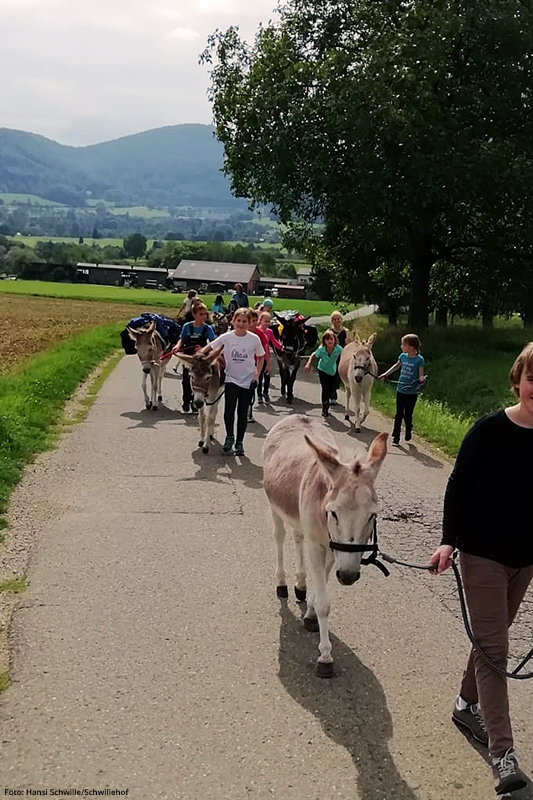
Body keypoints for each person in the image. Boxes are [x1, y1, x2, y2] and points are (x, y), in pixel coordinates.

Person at [429, 342, 533, 796]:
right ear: (518, 380)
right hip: (481, 554)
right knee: (495, 647)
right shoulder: (489, 430)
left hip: (523, 559)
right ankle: (502, 753)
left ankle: (465, 703)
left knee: (490, 642)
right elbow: (458, 485)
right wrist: (448, 540)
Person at [200, 308, 264, 456]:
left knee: (242, 413)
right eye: (239, 321)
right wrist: (198, 357)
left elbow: (260, 357)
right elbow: (209, 347)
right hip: (231, 379)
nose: (241, 324)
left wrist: (257, 373)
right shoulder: (226, 337)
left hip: (248, 380)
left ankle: (240, 442)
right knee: (229, 411)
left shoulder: (254, 339)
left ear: (249, 323)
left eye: (245, 321)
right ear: (233, 321)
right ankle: (229, 437)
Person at [378, 333, 425, 445]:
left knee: (408, 415)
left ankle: (408, 430)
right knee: (398, 414)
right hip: (401, 390)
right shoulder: (402, 356)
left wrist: (421, 380)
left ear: (411, 347)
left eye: (403, 345)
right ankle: (396, 437)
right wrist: (385, 374)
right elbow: (396, 366)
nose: (401, 347)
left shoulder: (419, 360)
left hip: (412, 392)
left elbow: (421, 375)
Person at [173, 302, 215, 413]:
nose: (204, 316)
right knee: (186, 380)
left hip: (201, 360)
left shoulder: (208, 329)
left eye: (205, 314)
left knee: (199, 380)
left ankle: (195, 402)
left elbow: (213, 344)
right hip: (189, 357)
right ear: (194, 314)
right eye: (201, 314)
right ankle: (186, 401)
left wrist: (203, 348)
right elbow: (182, 339)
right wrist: (177, 347)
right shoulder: (187, 327)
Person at [304, 329, 343, 417]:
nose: (329, 341)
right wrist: (308, 364)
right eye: (327, 339)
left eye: (331, 339)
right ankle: (325, 408)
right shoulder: (321, 350)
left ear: (334, 340)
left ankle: (328, 400)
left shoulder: (338, 349)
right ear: (324, 341)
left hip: (332, 371)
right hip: (323, 370)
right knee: (325, 389)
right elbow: (313, 354)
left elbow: (345, 354)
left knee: (332, 389)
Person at [247, 310, 270, 422]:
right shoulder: (242, 332)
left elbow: (265, 349)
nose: (255, 323)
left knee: (253, 386)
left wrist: (268, 363)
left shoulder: (259, 333)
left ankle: (249, 411)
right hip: (244, 364)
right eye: (252, 320)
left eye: (256, 320)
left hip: (257, 364)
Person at [257, 310, 282, 403]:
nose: (267, 323)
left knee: (267, 376)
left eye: (269, 321)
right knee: (259, 377)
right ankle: (259, 394)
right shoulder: (257, 331)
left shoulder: (270, 332)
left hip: (266, 357)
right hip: (257, 358)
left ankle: (265, 393)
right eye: (265, 321)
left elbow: (274, 341)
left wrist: (281, 347)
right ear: (260, 320)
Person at [330, 310, 350, 403]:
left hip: (341, 356)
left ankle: (334, 392)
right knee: (331, 374)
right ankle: (332, 394)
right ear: (332, 321)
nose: (337, 321)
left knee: (338, 375)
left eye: (339, 319)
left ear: (341, 320)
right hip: (331, 356)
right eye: (335, 319)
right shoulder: (329, 332)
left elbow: (348, 343)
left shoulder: (345, 331)